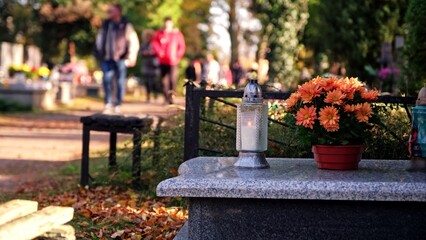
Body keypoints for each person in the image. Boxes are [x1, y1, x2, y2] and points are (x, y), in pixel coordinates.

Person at [95, 4, 139, 113]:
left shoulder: (125, 25)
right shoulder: (106, 24)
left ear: (118, 12)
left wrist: (131, 56)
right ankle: (108, 102)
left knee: (120, 81)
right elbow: (100, 39)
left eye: (112, 11)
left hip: (121, 58)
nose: (109, 13)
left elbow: (133, 40)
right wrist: (99, 52)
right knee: (106, 79)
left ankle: (118, 103)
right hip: (107, 57)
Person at [152, 17, 186, 104]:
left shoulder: (177, 34)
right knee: (164, 81)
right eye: (166, 23)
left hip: (173, 61)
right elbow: (155, 44)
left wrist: (177, 56)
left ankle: (172, 97)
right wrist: (159, 52)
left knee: (172, 80)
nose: (167, 25)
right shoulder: (159, 34)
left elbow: (181, 46)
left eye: (169, 23)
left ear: (172, 24)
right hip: (162, 60)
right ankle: (166, 98)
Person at [140, 30, 159, 103]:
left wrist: (151, 53)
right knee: (147, 82)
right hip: (146, 65)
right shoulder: (143, 45)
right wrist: (145, 53)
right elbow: (141, 54)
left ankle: (155, 95)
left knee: (154, 82)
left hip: (154, 66)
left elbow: (158, 53)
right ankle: (148, 96)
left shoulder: (155, 44)